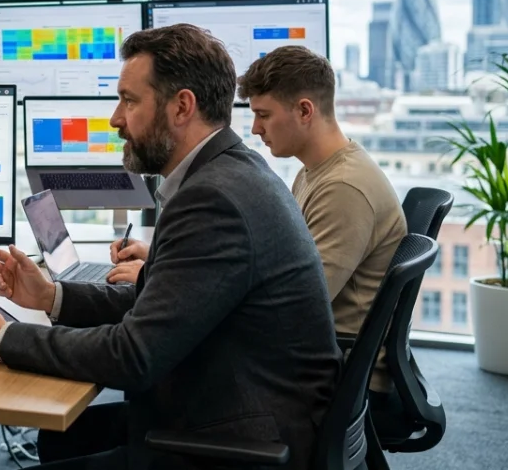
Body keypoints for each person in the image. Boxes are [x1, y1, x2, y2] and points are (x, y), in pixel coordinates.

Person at [0, 24, 341, 470]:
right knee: (59, 439)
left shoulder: (214, 199)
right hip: (233, 402)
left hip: (244, 438)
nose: (115, 118)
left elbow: (133, 355)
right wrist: (53, 297)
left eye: (129, 101)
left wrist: (2, 338)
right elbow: (156, 299)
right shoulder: (226, 171)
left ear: (182, 107)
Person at [107, 47, 408, 400]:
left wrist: (165, 277)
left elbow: (301, 300)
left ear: (305, 111)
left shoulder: (344, 187)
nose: (254, 127)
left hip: (340, 374)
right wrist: (173, 260)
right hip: (322, 355)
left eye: (264, 114)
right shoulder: (318, 172)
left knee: (160, 366)